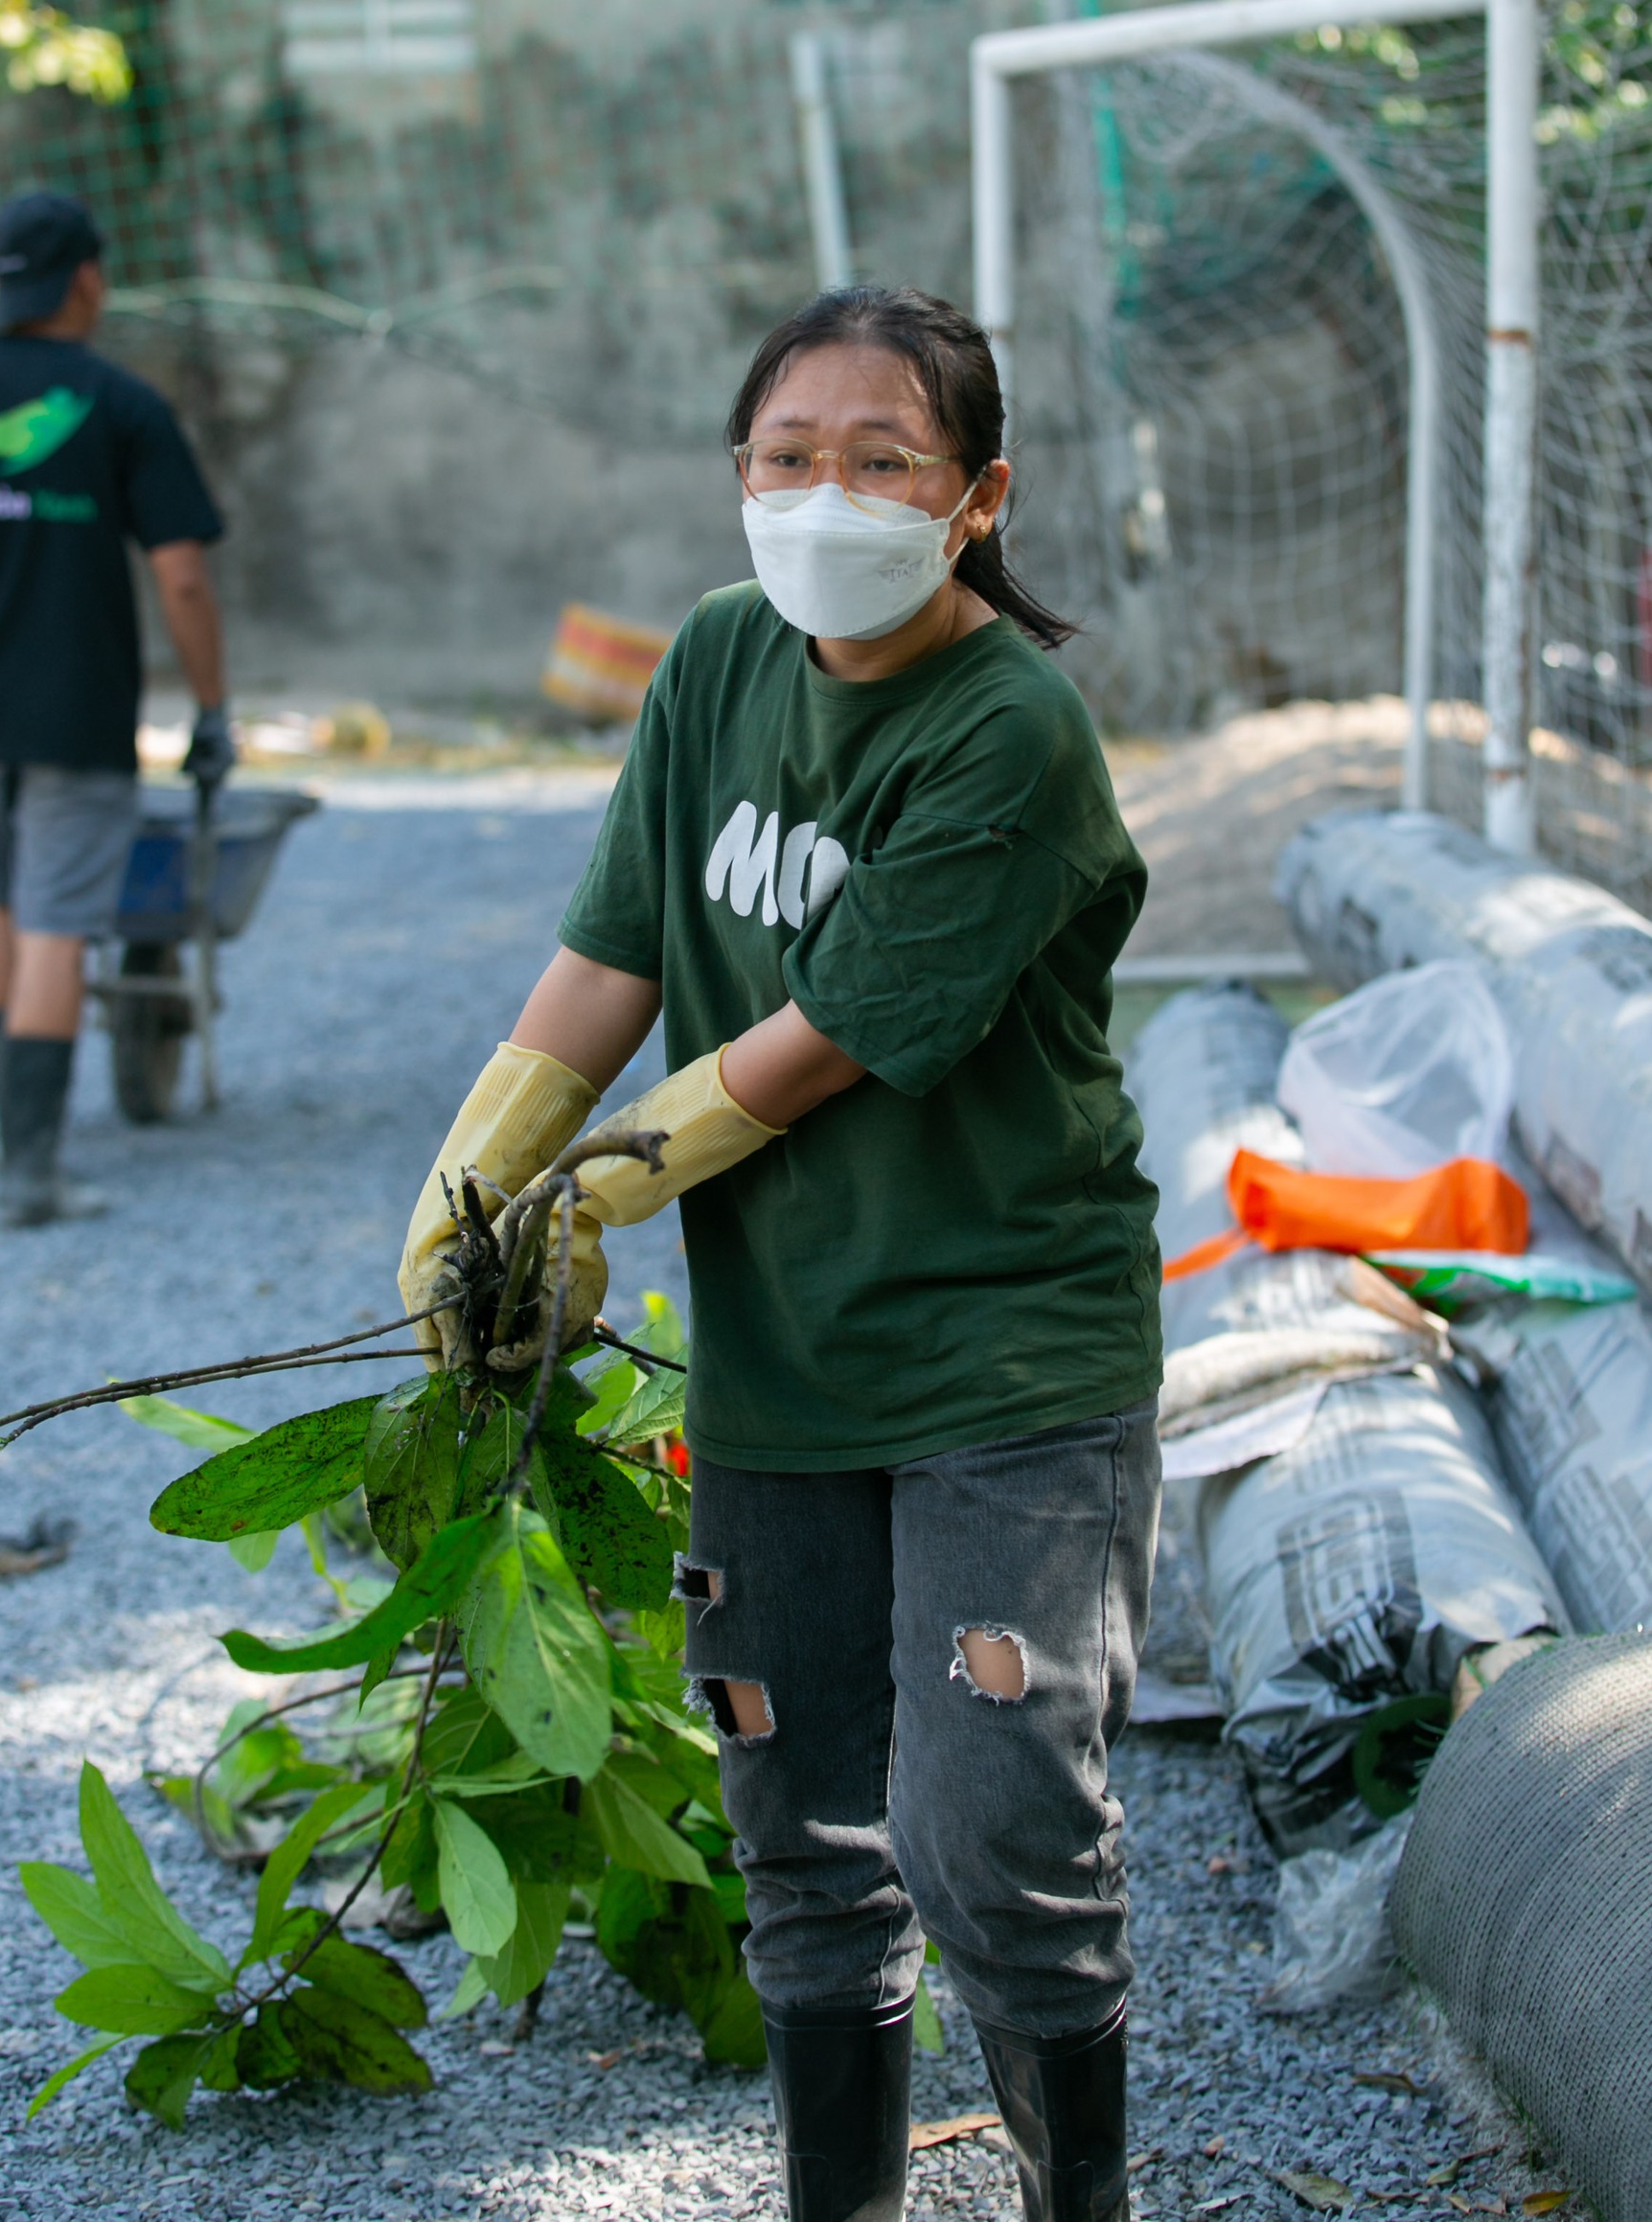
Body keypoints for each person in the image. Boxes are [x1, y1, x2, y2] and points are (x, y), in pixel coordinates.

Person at [399, 286, 1161, 2222]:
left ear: (976, 497)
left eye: (881, 458)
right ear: (736, 476)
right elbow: (619, 948)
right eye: (785, 454)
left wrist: (589, 1195)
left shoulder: (1010, 730)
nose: (826, 491)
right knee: (805, 1838)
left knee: (995, 1830)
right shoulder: (720, 658)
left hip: (1007, 1361)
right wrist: (478, 1168)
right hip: (779, 1359)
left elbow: (814, 1041)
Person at [0, 190, 234, 1226]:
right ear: (85, 279)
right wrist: (211, 708)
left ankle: (10, 1138)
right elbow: (184, 580)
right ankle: (32, 1171)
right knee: (58, 927)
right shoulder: (120, 405)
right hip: (78, 716)